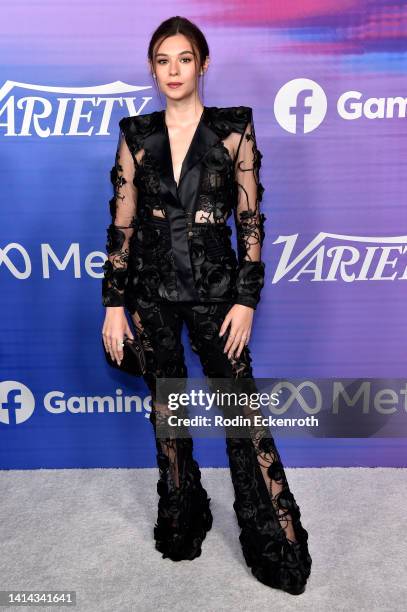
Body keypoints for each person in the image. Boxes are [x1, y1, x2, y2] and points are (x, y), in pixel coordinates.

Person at [101, 16, 312, 596]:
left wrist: (246, 299)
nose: (173, 70)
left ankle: (277, 538)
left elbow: (248, 221)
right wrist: (114, 305)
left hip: (218, 293)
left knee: (243, 416)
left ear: (203, 64)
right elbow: (121, 226)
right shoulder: (135, 132)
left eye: (184, 58)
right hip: (149, 293)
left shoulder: (233, 128)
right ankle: (183, 514)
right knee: (169, 416)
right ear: (152, 68)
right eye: (163, 60)